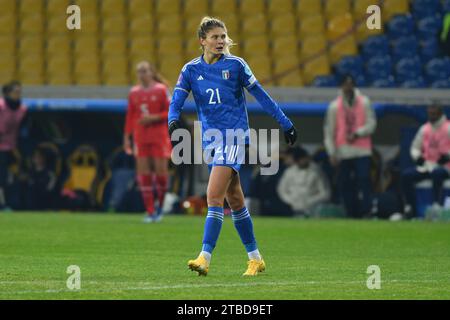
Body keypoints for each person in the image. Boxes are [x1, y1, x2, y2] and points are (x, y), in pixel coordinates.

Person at [167, 17, 297, 276]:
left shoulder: (236, 65)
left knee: (213, 195)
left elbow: (261, 95)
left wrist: (285, 123)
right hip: (211, 140)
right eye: (215, 37)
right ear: (202, 41)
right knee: (235, 200)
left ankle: (204, 257)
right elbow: (177, 99)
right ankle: (256, 258)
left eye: (223, 36)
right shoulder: (191, 70)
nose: (220, 41)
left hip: (234, 136)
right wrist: (172, 121)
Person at [124, 61, 172, 223]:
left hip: (159, 136)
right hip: (140, 137)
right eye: (139, 71)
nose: (141, 74)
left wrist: (154, 117)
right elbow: (130, 116)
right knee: (143, 174)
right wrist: (126, 137)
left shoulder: (161, 90)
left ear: (151, 72)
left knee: (161, 174)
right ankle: (150, 210)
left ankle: (160, 207)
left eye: (144, 71)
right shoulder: (134, 92)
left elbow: (171, 112)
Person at [324, 74, 376, 218]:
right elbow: (329, 131)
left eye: (350, 84)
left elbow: (371, 124)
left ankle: (367, 211)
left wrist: (359, 133)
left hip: (362, 150)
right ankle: (350, 212)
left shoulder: (364, 102)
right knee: (345, 183)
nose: (348, 87)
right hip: (343, 151)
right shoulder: (335, 106)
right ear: (341, 86)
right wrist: (331, 152)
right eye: (345, 84)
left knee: (364, 180)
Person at [401, 104, 450, 218]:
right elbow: (414, 147)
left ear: (440, 114)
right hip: (428, 165)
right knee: (406, 175)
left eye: (433, 114)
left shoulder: (448, 127)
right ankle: (410, 207)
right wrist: (418, 157)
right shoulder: (425, 128)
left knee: (437, 174)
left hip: (445, 166)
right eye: (429, 114)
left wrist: (447, 156)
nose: (431, 116)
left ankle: (436, 205)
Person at [277, 146, 330, 217]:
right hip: (292, 207)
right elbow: (281, 190)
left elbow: (325, 193)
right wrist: (291, 200)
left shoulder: (316, 171)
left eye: (302, 159)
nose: (300, 162)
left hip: (313, 208)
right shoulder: (289, 172)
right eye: (297, 161)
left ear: (307, 157)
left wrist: (310, 201)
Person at [0, 81, 27, 211]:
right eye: (15, 92)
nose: (18, 95)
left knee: (12, 177)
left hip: (13, 148)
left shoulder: (22, 109)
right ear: (7, 93)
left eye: (19, 92)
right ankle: (2, 204)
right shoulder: (1, 106)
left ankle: (13, 203)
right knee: (2, 177)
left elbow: (23, 130)